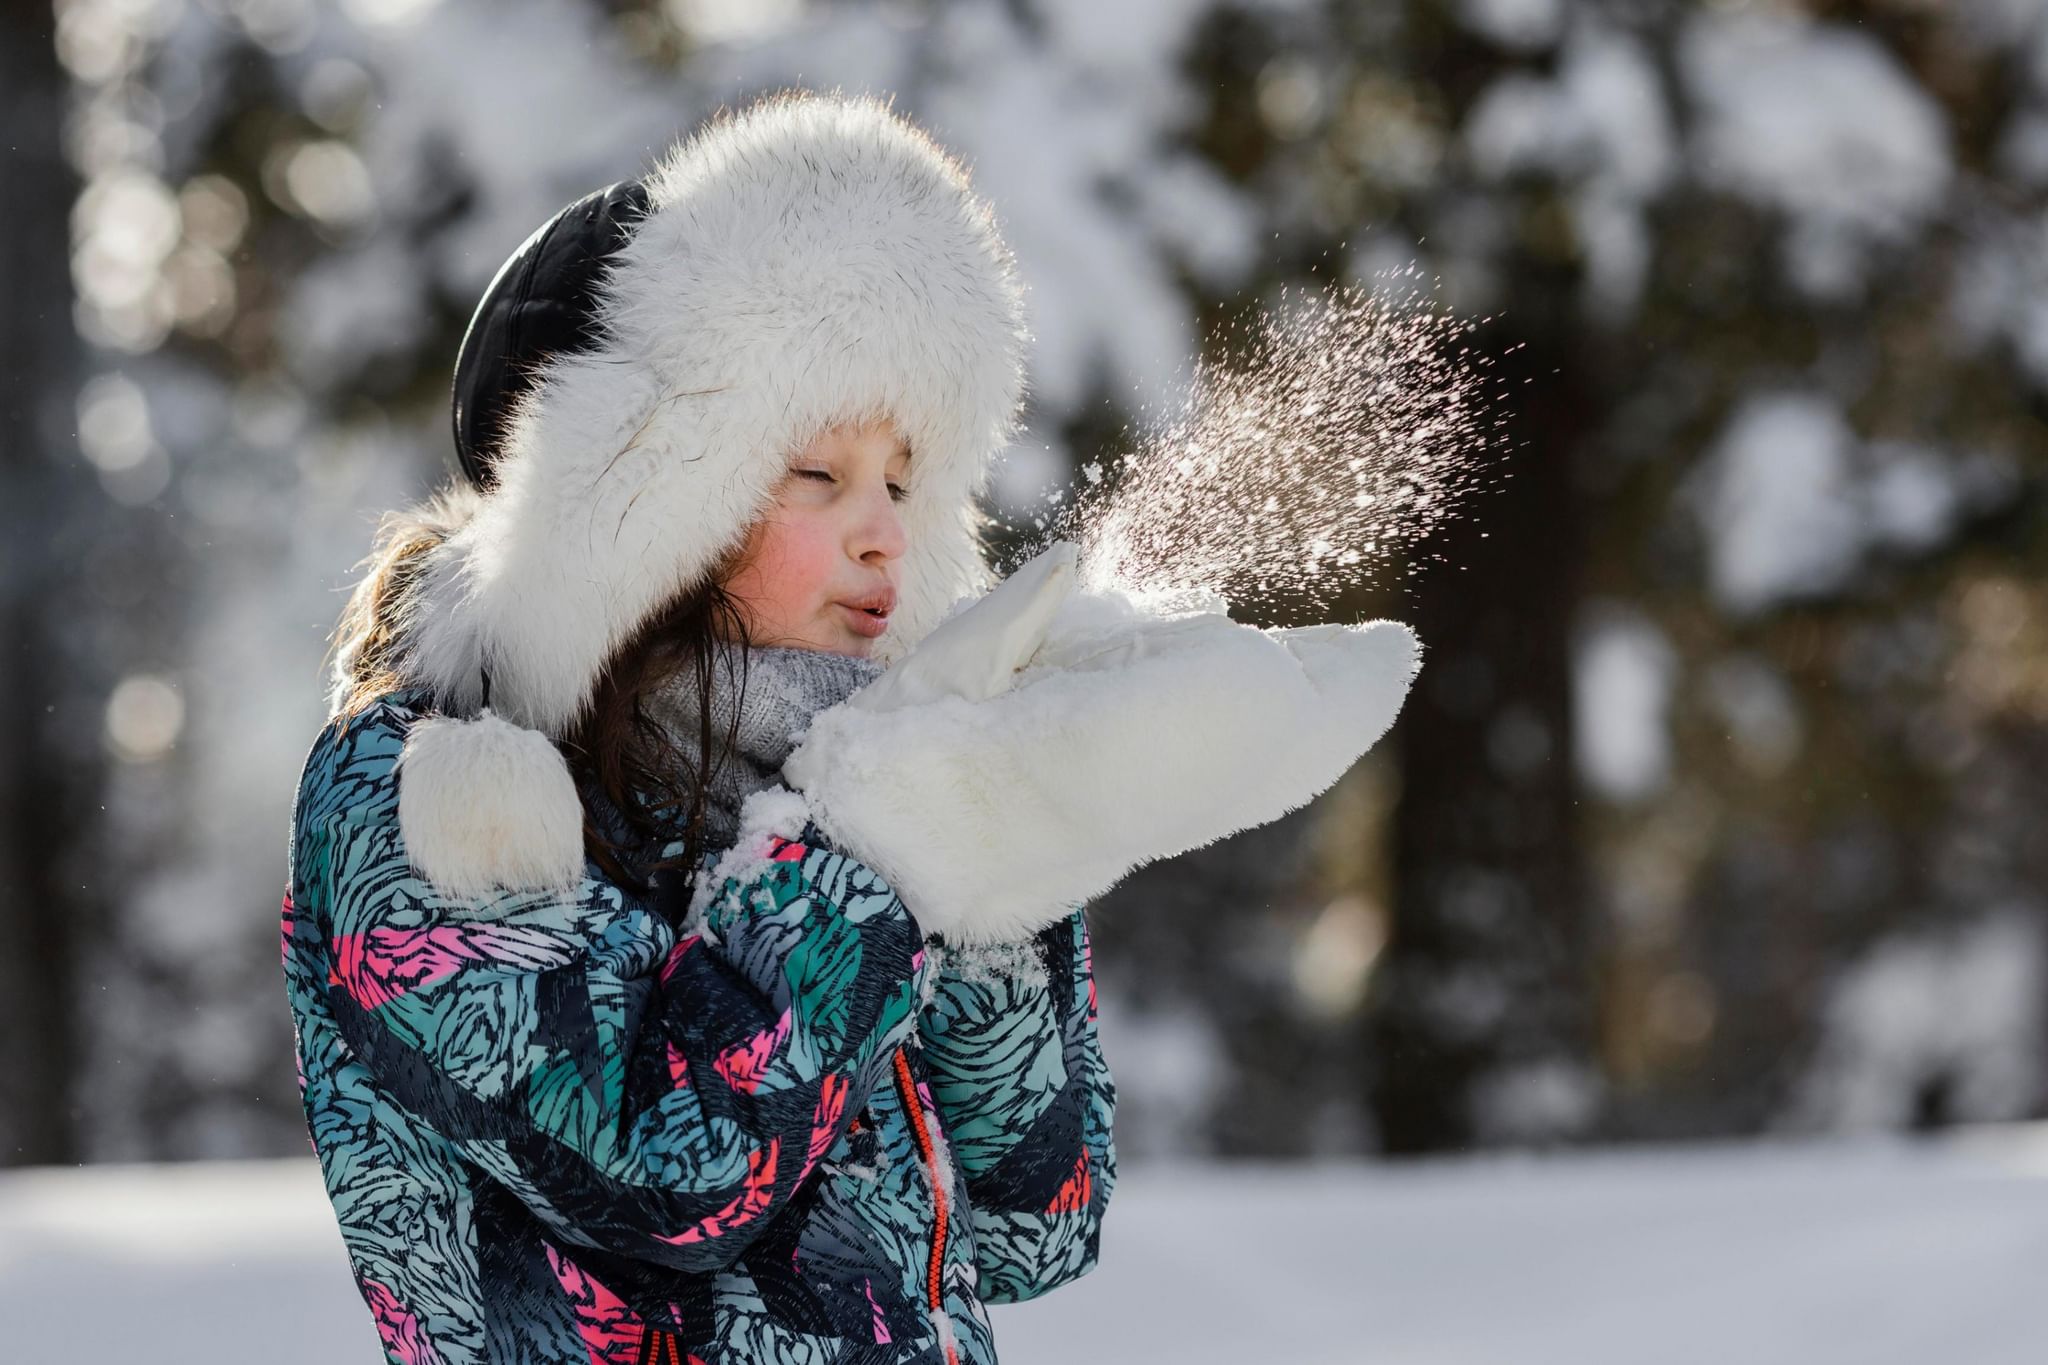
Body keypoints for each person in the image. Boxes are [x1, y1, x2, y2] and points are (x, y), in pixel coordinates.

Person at [284, 89, 1421, 1365]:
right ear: (628, 500)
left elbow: (1032, 1225)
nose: (881, 528)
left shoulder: (849, 774)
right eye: (817, 476)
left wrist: (1012, 822)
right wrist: (883, 845)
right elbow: (665, 1173)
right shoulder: (427, 782)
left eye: (902, 478)